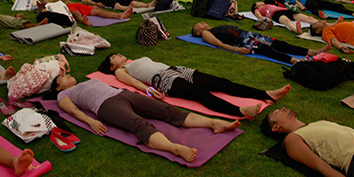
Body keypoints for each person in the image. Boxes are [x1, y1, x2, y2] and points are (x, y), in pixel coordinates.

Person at [51, 74, 240, 163]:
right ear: (58, 87)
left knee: (167, 110)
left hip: (123, 94)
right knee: (139, 124)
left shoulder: (88, 80)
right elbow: (73, 111)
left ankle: (214, 123)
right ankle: (175, 148)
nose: (67, 75)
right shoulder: (64, 94)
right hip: (106, 106)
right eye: (63, 77)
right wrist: (90, 121)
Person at [98, 54, 291, 119]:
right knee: (201, 94)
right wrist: (150, 91)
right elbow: (134, 83)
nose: (117, 54)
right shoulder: (120, 71)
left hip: (177, 70)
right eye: (113, 56)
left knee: (221, 83)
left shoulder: (133, 60)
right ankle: (239, 111)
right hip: (163, 81)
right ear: (112, 66)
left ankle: (266, 94)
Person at [191, 22, 328, 64]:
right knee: (266, 49)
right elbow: (217, 43)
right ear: (198, 32)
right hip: (240, 41)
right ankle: (294, 61)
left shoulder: (214, 26)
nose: (203, 23)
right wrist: (235, 49)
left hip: (248, 34)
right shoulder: (206, 33)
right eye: (199, 25)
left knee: (278, 43)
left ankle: (310, 52)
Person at [251, 1, 319, 34]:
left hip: (284, 10)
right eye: (258, 2)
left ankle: (321, 23)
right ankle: (296, 30)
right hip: (275, 14)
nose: (261, 1)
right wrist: (265, 19)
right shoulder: (257, 10)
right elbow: (258, 16)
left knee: (308, 18)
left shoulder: (268, 4)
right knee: (286, 20)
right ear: (255, 6)